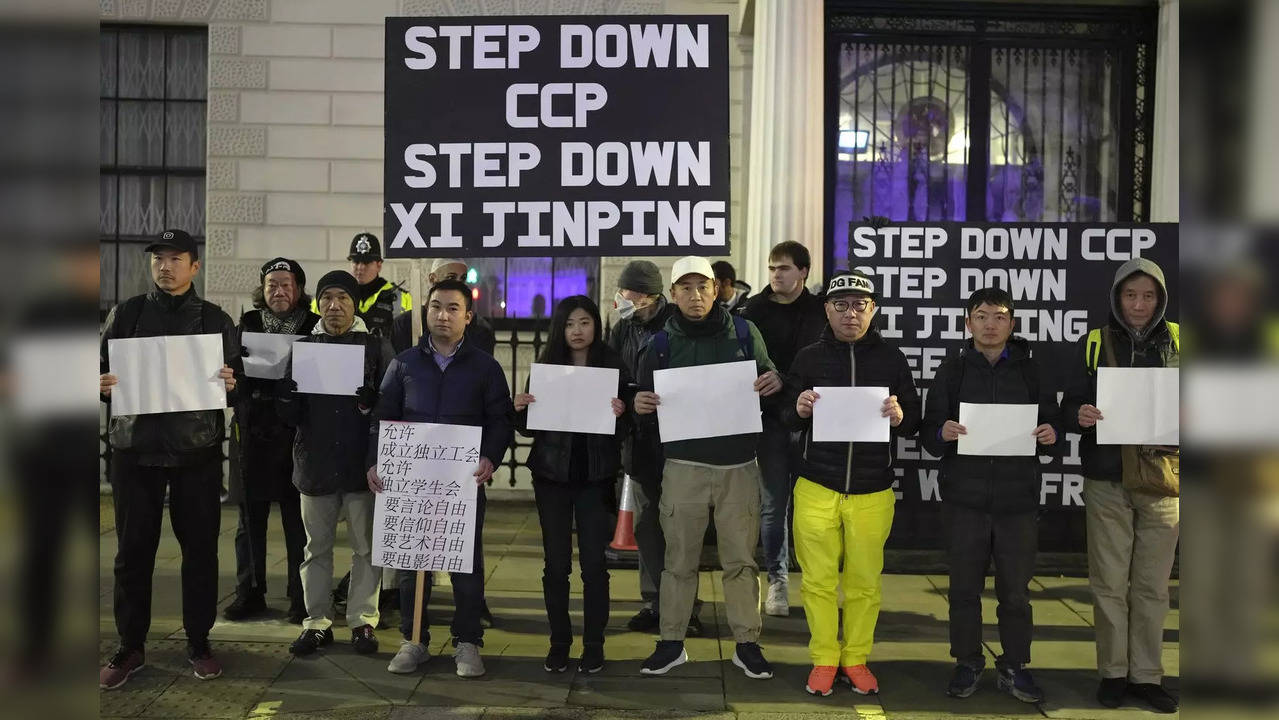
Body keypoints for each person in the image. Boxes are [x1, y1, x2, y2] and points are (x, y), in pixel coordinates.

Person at [98, 229, 241, 689]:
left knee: (199, 551)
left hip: (195, 452)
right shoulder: (128, 314)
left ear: (195, 266)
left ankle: (199, 642)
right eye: (159, 258)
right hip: (134, 451)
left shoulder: (215, 320)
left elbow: (239, 383)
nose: (166, 266)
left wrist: (231, 381)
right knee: (132, 553)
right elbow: (99, 369)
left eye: (176, 258)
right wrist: (98, 383)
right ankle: (130, 646)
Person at [633, 255, 783, 680]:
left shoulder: (743, 331)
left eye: (703, 287)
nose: (695, 296)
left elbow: (768, 375)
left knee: (741, 561)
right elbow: (643, 400)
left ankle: (747, 643)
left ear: (716, 290)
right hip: (682, 466)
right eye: (685, 288)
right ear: (673, 294)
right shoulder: (660, 343)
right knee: (678, 560)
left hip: (739, 466)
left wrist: (775, 381)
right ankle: (671, 642)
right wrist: (641, 405)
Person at [783, 270, 921, 696]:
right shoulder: (808, 358)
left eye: (860, 305)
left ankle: (856, 657)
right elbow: (785, 416)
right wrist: (800, 408)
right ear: (827, 310)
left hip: (872, 490)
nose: (850, 314)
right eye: (840, 305)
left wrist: (899, 417)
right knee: (817, 582)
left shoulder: (892, 359)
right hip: (816, 486)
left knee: (865, 583)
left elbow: (914, 422)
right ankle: (825, 657)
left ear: (873, 310)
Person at [920, 287, 1061, 704]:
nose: (990, 324)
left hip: (1018, 502)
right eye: (981, 316)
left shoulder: (1033, 372)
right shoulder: (952, 371)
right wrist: (941, 433)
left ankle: (1015, 666)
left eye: (999, 316)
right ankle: (967, 662)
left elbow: (1053, 426)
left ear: (1011, 324)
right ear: (968, 323)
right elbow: (929, 436)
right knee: (963, 589)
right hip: (965, 500)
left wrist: (1051, 435)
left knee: (1015, 593)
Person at [369, 279, 514, 678]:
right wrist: (374, 461)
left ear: (468, 316)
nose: (443, 315)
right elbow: (383, 417)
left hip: (461, 482)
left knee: (465, 561)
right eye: (436, 307)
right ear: (426, 313)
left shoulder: (486, 367)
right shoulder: (404, 363)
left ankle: (467, 642)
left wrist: (491, 457)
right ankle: (413, 639)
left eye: (453, 308)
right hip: (412, 482)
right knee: (412, 561)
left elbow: (501, 420)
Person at [1060, 258, 1180, 713]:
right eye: (1131, 295)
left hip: (1163, 480)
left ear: (1161, 298)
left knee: (1153, 586)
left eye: (1148, 295)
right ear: (1116, 297)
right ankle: (1112, 674)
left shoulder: (1181, 342)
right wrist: (1081, 415)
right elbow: (1070, 402)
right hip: (1107, 477)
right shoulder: (1094, 342)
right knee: (1108, 583)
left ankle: (1147, 677)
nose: (1139, 304)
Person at [514, 296, 632, 674]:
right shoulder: (547, 368)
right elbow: (530, 428)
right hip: (551, 477)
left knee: (595, 566)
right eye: (569, 324)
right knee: (556, 565)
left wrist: (622, 413)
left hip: (595, 478)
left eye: (584, 322)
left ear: (595, 325)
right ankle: (559, 641)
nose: (577, 331)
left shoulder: (612, 364)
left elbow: (629, 427)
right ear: (559, 329)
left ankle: (594, 643)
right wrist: (520, 408)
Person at [282, 271, 394, 657]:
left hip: (361, 467)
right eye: (327, 298)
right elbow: (289, 414)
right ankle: (316, 622)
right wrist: (287, 397)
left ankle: (363, 621)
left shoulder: (377, 348)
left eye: (343, 298)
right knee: (316, 548)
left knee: (365, 548)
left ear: (355, 304)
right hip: (314, 464)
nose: (334, 306)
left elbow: (393, 405)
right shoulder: (302, 348)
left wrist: (369, 402)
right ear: (317, 304)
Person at [606, 260, 704, 637]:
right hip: (641, 442)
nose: (620, 298)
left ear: (647, 296)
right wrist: (630, 402)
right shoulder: (623, 329)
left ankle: (685, 606)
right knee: (648, 527)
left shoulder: (678, 326)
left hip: (680, 443)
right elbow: (614, 379)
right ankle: (654, 602)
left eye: (626, 292)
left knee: (681, 528)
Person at [224, 258, 318, 625]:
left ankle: (301, 595)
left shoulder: (313, 326)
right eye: (272, 285)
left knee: (298, 522)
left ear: (298, 289)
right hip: (252, 434)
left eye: (286, 284)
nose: (279, 291)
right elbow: (230, 371)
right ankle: (249, 592)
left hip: (296, 437)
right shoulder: (246, 324)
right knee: (250, 521)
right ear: (262, 290)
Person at [739, 241, 828, 616]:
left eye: (785, 268)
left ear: (803, 272)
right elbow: (741, 362)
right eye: (772, 267)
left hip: (815, 421)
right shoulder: (752, 311)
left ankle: (817, 584)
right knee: (774, 507)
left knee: (815, 511)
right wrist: (766, 380)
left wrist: (786, 382)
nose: (776, 274)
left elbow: (825, 364)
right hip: (769, 421)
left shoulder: (822, 312)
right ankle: (777, 581)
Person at [312, 232, 411, 339]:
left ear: (379, 265)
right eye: (356, 261)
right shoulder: (325, 298)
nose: (360, 267)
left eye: (366, 262)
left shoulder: (402, 299)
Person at [391, 257, 496, 355]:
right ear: (433, 279)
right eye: (451, 277)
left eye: (463, 278)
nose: (458, 284)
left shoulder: (480, 329)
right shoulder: (405, 324)